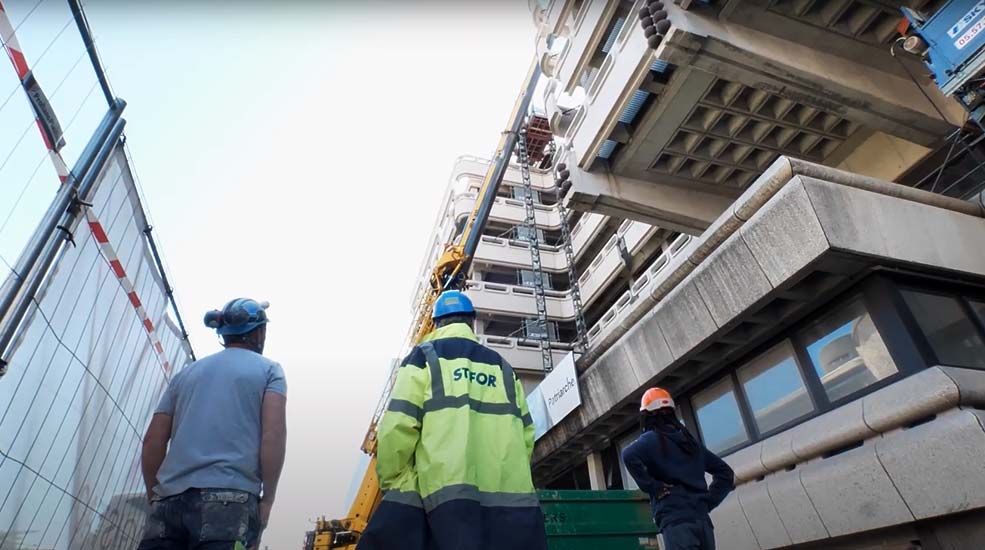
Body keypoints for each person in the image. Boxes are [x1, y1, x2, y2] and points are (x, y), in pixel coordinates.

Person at [357, 290, 548, 550]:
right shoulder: (503, 368)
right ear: (471, 323)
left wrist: (397, 484)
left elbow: (397, 428)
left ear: (436, 323)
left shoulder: (423, 358)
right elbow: (526, 435)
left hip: (444, 508)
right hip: (513, 513)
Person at [138, 298, 287, 550]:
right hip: (230, 500)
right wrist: (267, 501)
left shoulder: (186, 375)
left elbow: (153, 441)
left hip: (169, 501)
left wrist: (157, 498)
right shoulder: (270, 371)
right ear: (260, 332)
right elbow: (272, 437)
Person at [621, 387, 734, 550]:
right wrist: (708, 502)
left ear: (647, 415)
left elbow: (628, 454)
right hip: (703, 522)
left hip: (676, 523)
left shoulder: (650, 440)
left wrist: (653, 487)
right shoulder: (690, 443)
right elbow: (725, 474)